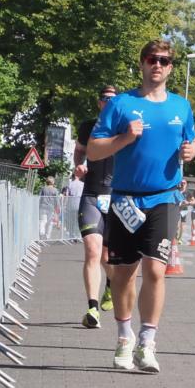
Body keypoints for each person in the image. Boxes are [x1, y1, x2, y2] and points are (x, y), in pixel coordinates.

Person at [87, 41, 195, 374]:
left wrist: (191, 151)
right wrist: (124, 138)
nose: (158, 65)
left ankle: (148, 342)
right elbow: (93, 150)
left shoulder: (182, 106)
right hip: (125, 200)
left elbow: (191, 140)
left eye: (164, 61)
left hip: (164, 197)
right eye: (152, 59)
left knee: (155, 270)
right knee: (123, 275)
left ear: (171, 67)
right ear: (142, 64)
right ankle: (124, 338)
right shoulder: (121, 104)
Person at [73, 84, 118, 329]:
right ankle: (92, 308)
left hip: (116, 197)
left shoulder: (125, 127)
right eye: (104, 98)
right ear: (99, 102)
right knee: (92, 251)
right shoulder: (88, 126)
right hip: (91, 194)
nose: (108, 101)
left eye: (113, 98)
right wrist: (78, 166)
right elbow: (79, 153)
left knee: (107, 258)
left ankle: (110, 287)